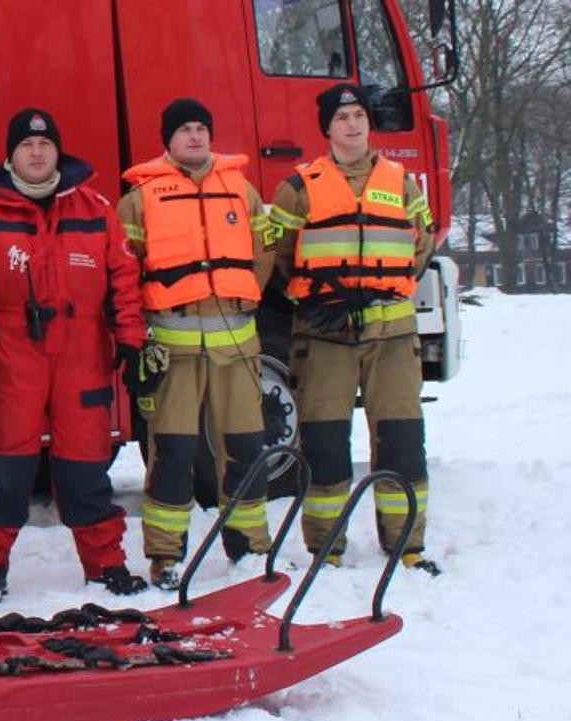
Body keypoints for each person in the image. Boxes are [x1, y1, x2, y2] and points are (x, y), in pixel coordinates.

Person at [0, 109, 149, 604]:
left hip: (82, 354)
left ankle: (106, 565)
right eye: (26, 145)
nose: (36, 152)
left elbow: (124, 276)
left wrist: (129, 335)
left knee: (86, 470)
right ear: (10, 155)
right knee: (5, 474)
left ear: (57, 151)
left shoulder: (96, 207)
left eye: (44, 144)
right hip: (11, 356)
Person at [265, 83, 440, 574]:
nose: (353, 124)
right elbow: (278, 259)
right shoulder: (297, 188)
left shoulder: (403, 183)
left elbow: (420, 246)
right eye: (342, 117)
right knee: (324, 444)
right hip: (325, 338)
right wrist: (319, 299)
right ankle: (327, 549)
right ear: (327, 128)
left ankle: (408, 546)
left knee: (403, 443)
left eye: (359, 115)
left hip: (393, 337)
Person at [117, 98, 274, 589]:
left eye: (201, 128)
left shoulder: (242, 191)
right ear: (168, 138)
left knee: (245, 448)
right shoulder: (139, 199)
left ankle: (249, 549)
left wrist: (241, 298)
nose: (195, 136)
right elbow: (126, 272)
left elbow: (264, 253)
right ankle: (166, 556)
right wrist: (141, 334)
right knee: (173, 453)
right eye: (184, 129)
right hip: (174, 345)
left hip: (237, 342)